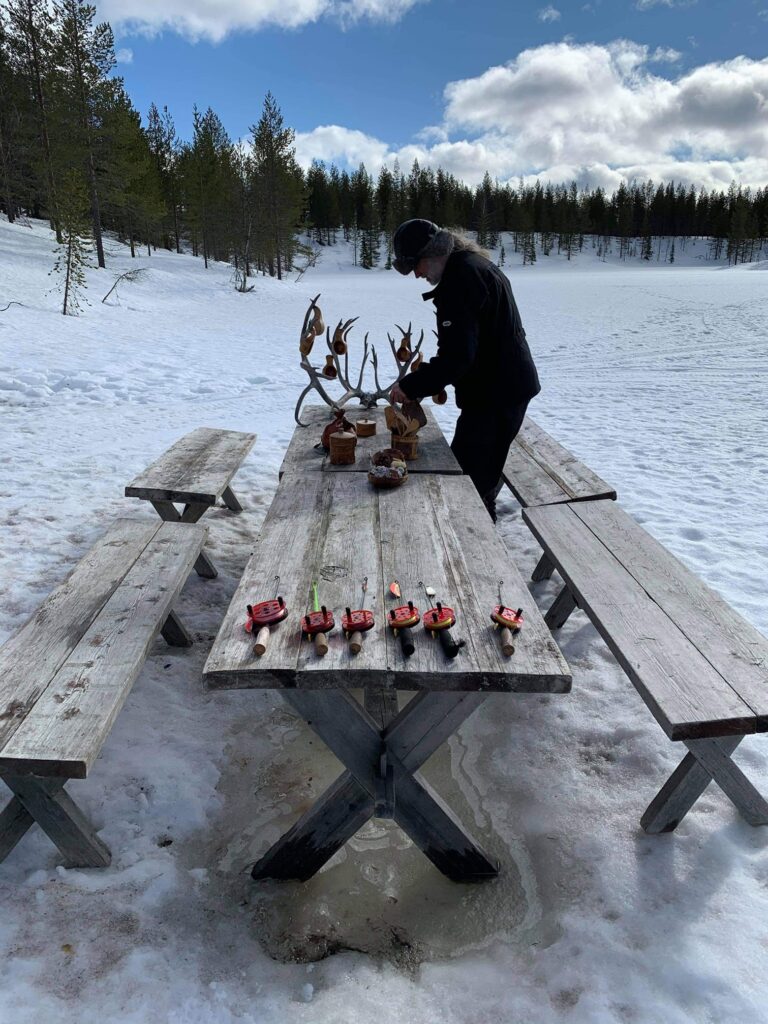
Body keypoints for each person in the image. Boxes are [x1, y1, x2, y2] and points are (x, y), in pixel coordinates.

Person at [389, 218, 541, 522]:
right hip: (502, 390)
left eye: (414, 266)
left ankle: (477, 551)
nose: (417, 275)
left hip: (496, 397)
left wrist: (410, 386)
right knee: (476, 476)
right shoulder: (473, 266)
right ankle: (480, 524)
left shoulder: (460, 281)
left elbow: (458, 357)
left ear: (432, 254)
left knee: (465, 486)